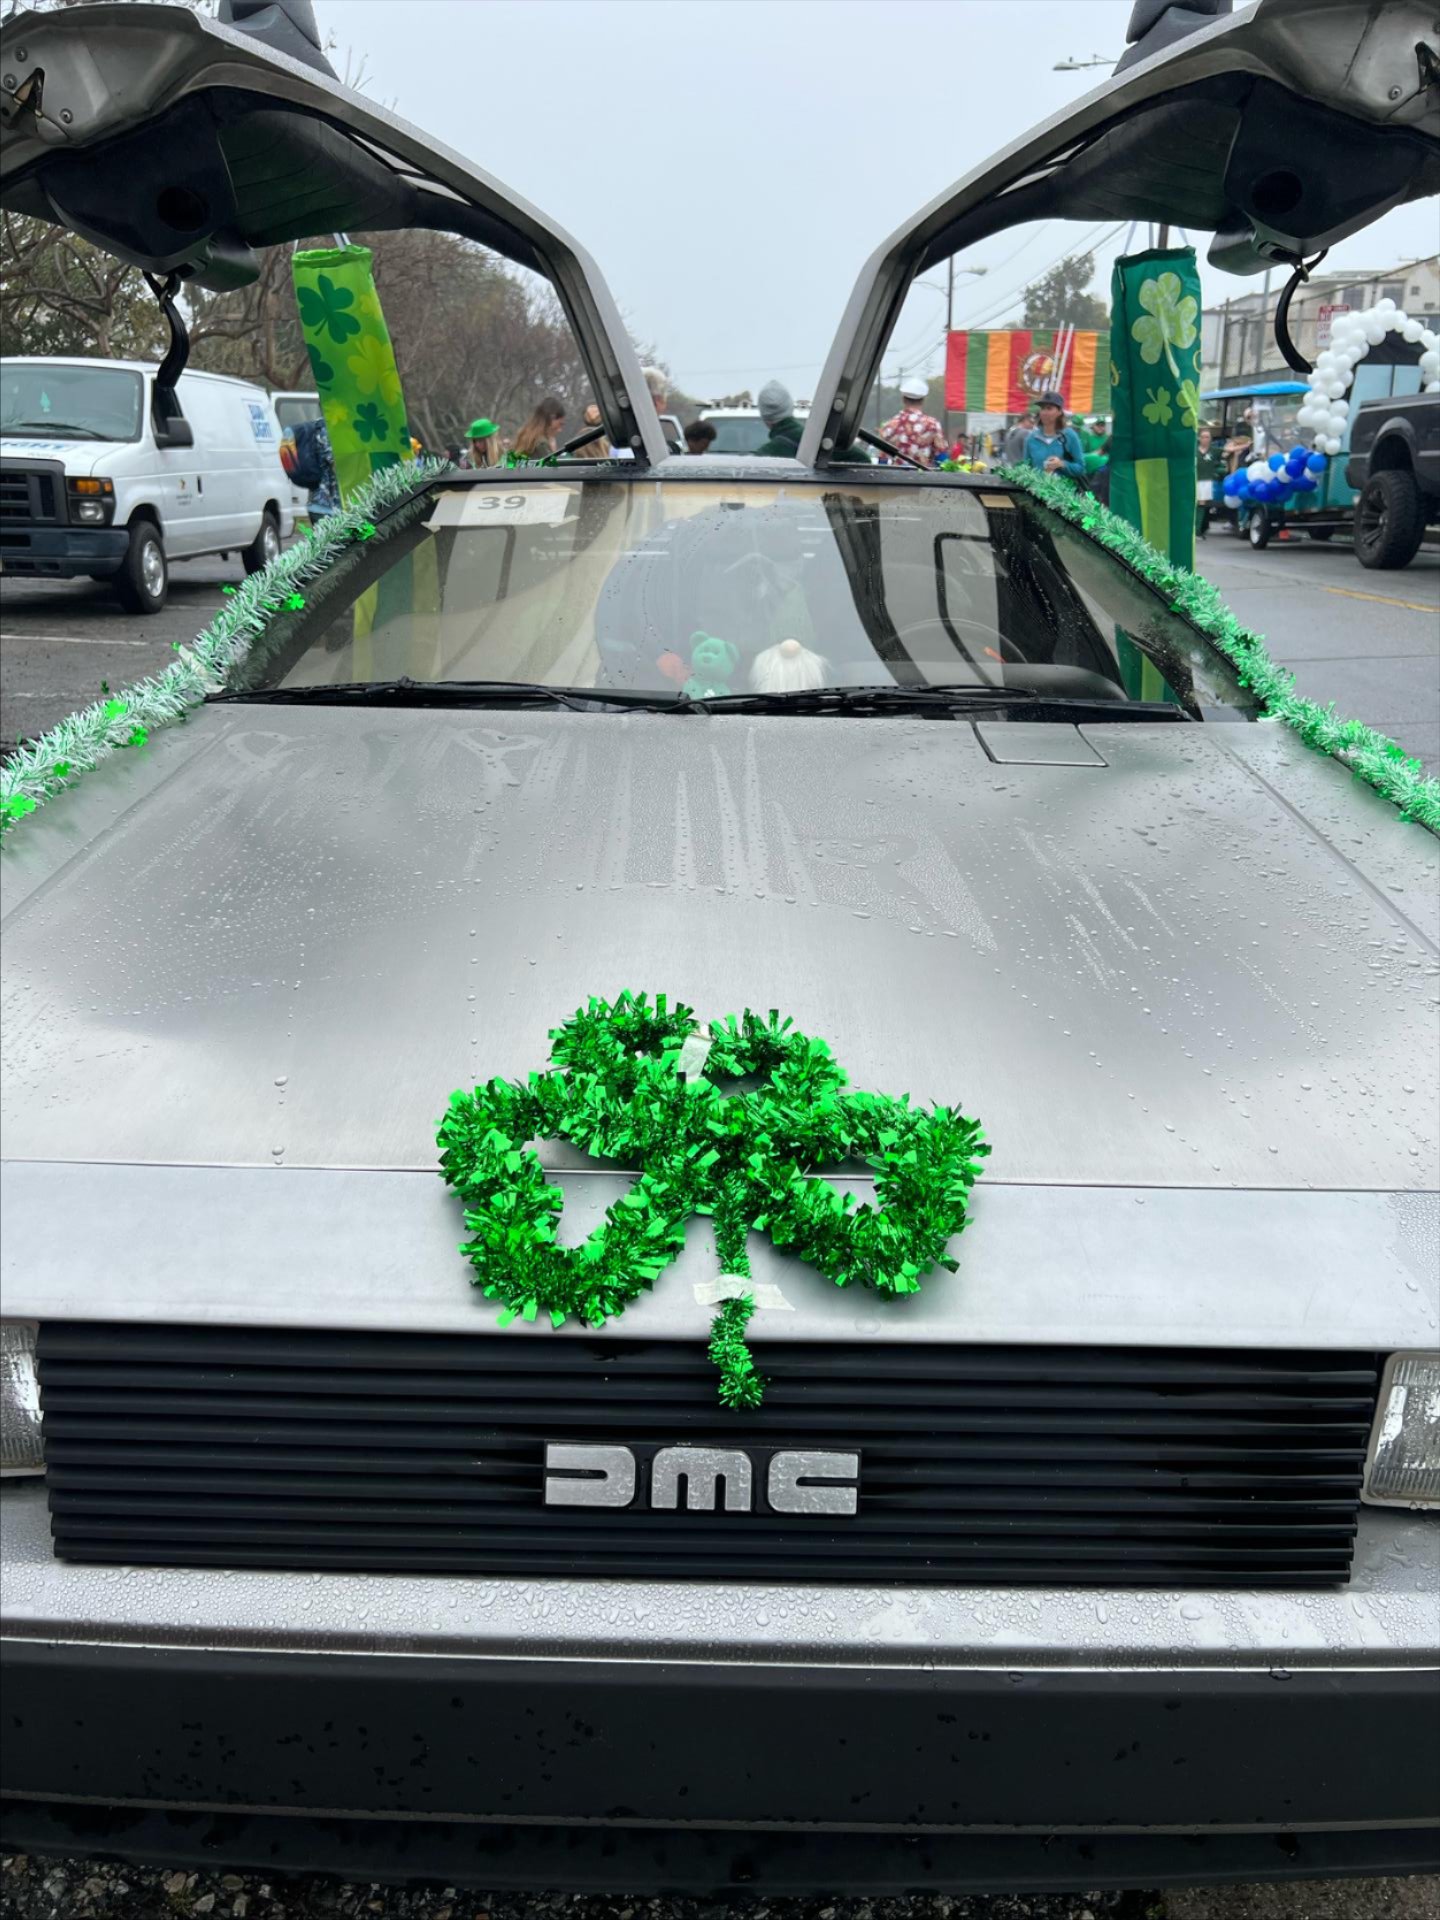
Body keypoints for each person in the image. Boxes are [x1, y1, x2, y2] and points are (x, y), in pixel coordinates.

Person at [881, 376, 947, 467]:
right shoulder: (933, 424)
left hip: (895, 478)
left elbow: (882, 458)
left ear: (903, 399)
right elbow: (942, 458)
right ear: (923, 400)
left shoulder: (890, 425)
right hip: (922, 479)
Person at [1024, 392, 1085, 480]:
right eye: (1042, 408)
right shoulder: (1031, 438)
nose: (1044, 412)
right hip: (1036, 491)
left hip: (1063, 492)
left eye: (1049, 408)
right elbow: (1026, 468)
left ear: (1060, 411)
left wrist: (1062, 464)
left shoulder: (1069, 436)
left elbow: (1081, 468)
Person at [507, 397, 565, 465]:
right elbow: (552, 470)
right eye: (560, 424)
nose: (560, 430)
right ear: (552, 418)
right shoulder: (541, 444)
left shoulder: (527, 436)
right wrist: (553, 451)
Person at [1195, 423, 1226, 539]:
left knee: (1201, 504)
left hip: (1205, 481)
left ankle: (1197, 531)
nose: (1205, 439)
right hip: (1194, 479)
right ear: (1199, 438)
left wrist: (1246, 444)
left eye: (1207, 437)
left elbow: (1228, 449)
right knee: (1193, 505)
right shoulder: (1194, 450)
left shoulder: (1214, 451)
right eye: (1203, 436)